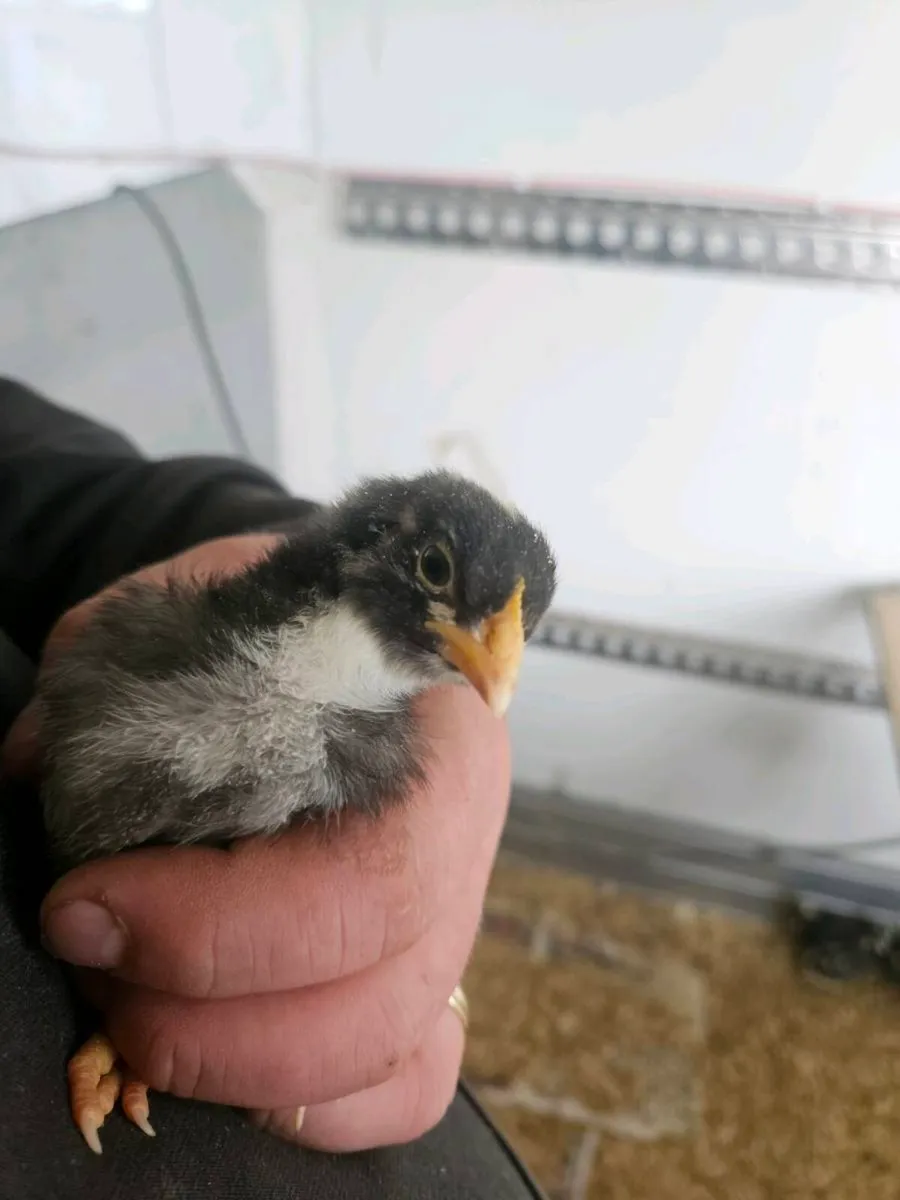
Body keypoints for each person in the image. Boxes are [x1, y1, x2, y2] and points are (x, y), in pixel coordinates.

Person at [0, 377, 546, 1200]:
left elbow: (54, 476)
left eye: (511, 637)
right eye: (436, 571)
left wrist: (227, 530)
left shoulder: (373, 732)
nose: (496, 663)